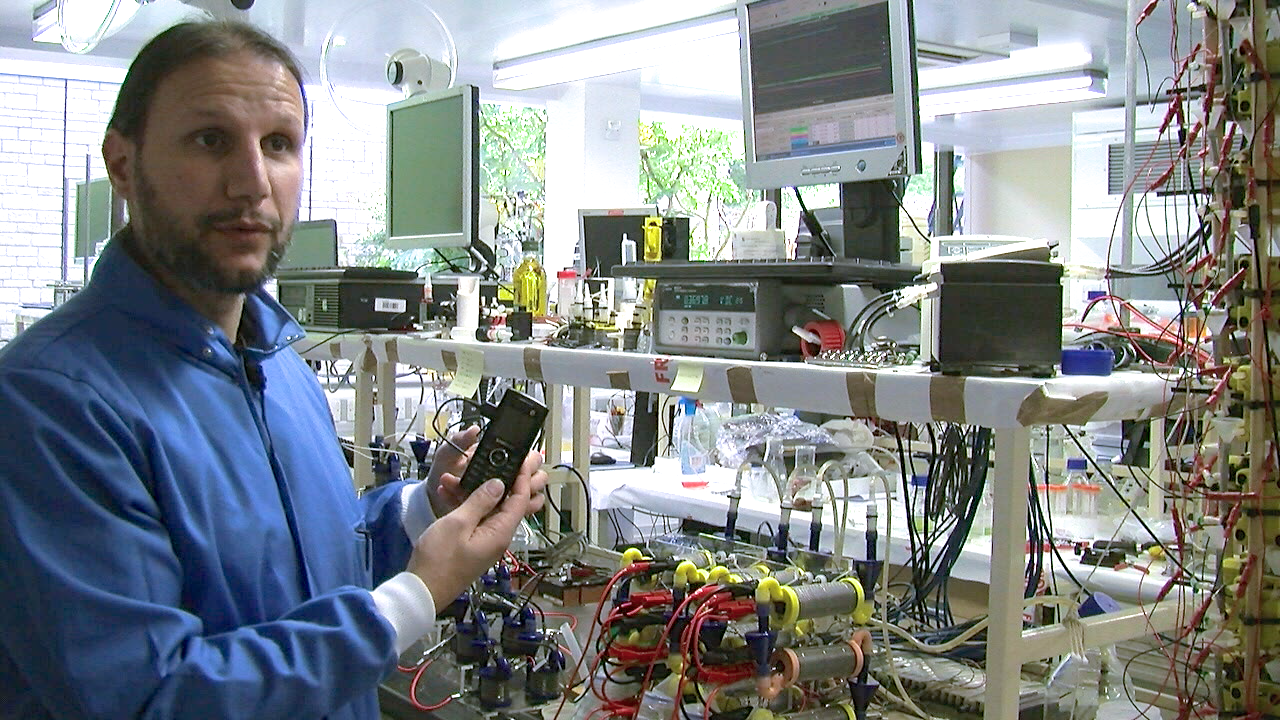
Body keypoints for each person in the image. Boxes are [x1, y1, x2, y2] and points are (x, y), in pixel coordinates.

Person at [0, 19, 548, 719]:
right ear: (123, 165)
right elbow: (151, 696)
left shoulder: (279, 367)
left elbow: (310, 563)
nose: (252, 181)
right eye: (210, 140)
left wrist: (423, 509)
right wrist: (411, 598)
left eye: (279, 145)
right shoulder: (51, 400)